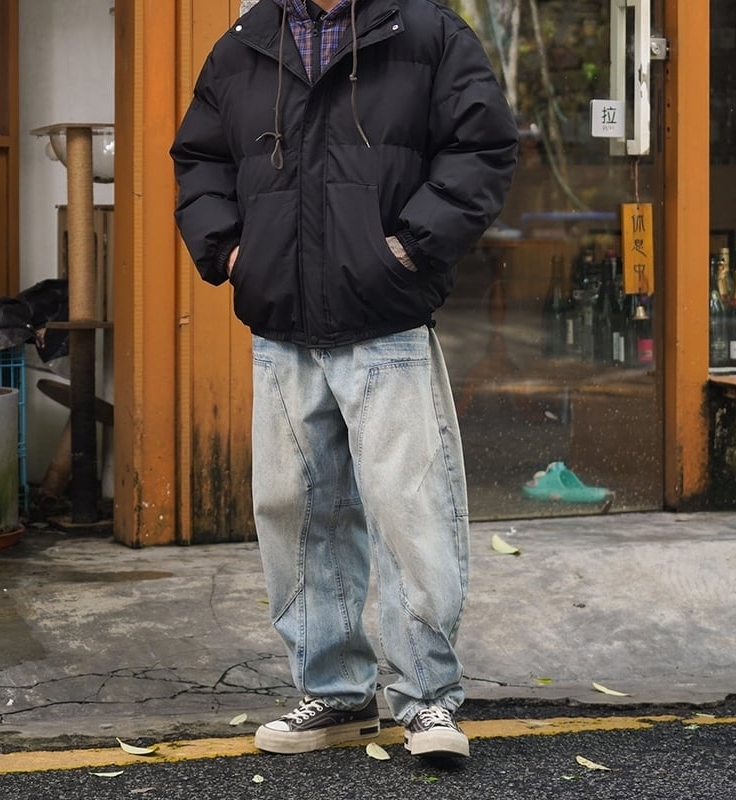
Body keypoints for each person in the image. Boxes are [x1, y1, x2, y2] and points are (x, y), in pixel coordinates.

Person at [171, 0, 518, 759]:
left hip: (386, 321)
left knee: (409, 512)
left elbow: (483, 146)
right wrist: (232, 253)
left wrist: (407, 248)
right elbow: (200, 158)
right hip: (282, 325)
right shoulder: (245, 43)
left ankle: (427, 700)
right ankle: (334, 695)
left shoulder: (428, 33)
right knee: (293, 512)